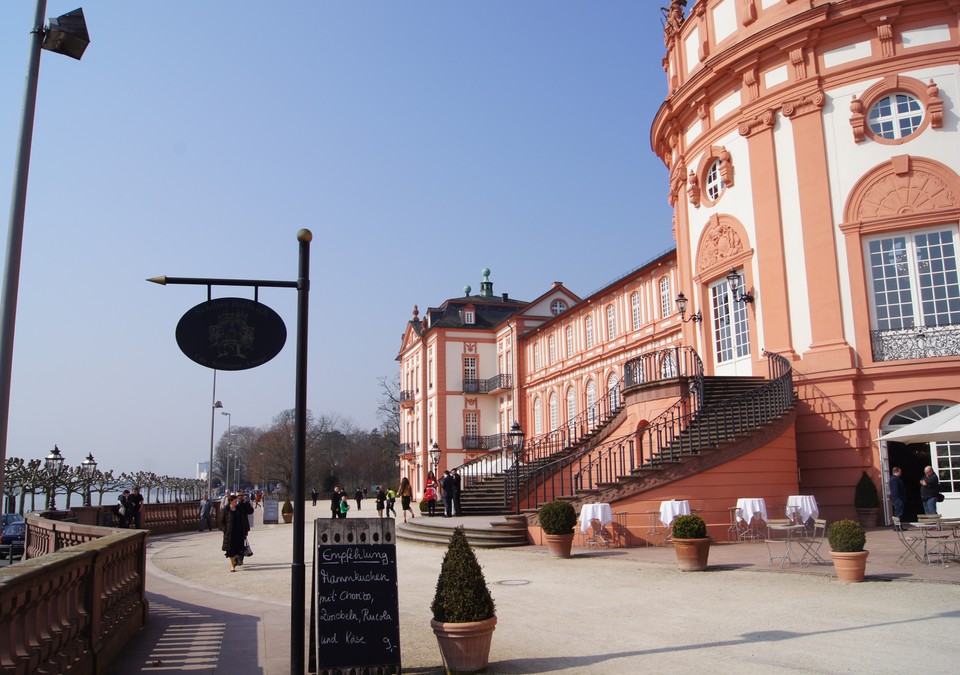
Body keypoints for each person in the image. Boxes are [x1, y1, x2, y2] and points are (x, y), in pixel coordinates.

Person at [220, 493, 252, 572]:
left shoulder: (239, 509)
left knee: (238, 549)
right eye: (235, 501)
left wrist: (244, 529)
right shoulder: (226, 509)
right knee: (231, 550)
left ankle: (236, 560)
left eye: (236, 501)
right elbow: (221, 522)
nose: (236, 502)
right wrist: (225, 529)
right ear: (231, 501)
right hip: (230, 533)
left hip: (239, 532)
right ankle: (232, 565)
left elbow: (247, 514)